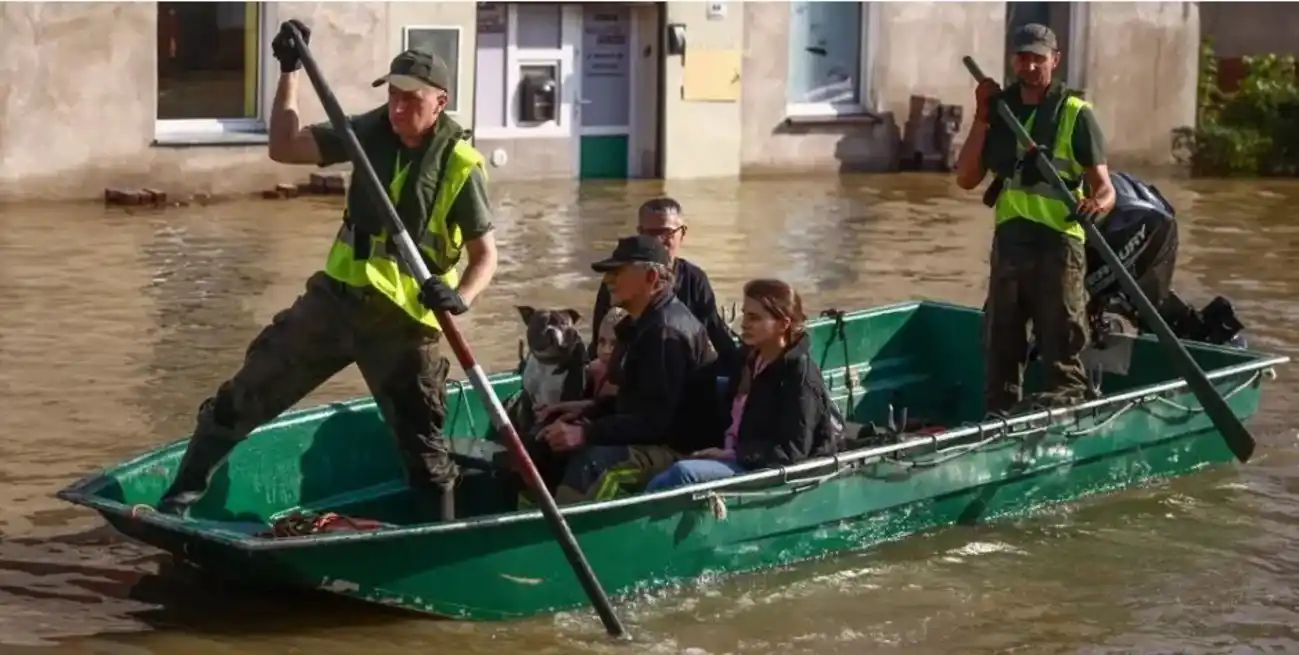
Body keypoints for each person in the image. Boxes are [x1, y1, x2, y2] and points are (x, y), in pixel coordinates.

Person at [152, 20, 499, 522]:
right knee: (242, 396)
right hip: (334, 304)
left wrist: (461, 296)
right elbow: (284, 146)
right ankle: (177, 504)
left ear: (440, 102)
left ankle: (436, 545)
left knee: (425, 451)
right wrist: (289, 70)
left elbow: (486, 255)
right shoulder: (366, 131)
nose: (399, 108)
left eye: (412, 99)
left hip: (402, 326)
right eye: (394, 96)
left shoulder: (461, 164)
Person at [954, 23, 1116, 414]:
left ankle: (1065, 416)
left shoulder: (1075, 113)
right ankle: (999, 421)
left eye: (1038, 59)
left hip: (1059, 246)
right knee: (1001, 344)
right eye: (1022, 58)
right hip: (1010, 245)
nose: (1029, 66)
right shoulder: (1001, 109)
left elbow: (1105, 188)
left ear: (1054, 61)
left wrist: (1098, 204)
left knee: (1062, 342)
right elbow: (966, 178)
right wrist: (982, 114)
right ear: (1013, 60)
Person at [537, 235, 720, 504]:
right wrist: (587, 409)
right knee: (542, 443)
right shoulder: (643, 324)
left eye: (617, 272)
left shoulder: (664, 333)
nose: (608, 280)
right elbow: (638, 401)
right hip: (650, 436)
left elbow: (656, 423)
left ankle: (563, 536)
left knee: (595, 466)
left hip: (678, 449)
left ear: (651, 278)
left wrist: (586, 432)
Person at [645, 279, 842, 491]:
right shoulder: (750, 358)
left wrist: (734, 455)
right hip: (736, 455)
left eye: (754, 318)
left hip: (765, 471)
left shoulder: (800, 376)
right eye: (745, 314)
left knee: (684, 473)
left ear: (783, 324)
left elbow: (791, 452)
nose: (744, 324)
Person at [589, 198, 739, 363]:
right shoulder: (619, 282)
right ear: (640, 232)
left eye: (667, 233)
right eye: (652, 233)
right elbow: (598, 338)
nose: (659, 240)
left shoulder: (694, 280)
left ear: (682, 233)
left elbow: (715, 332)